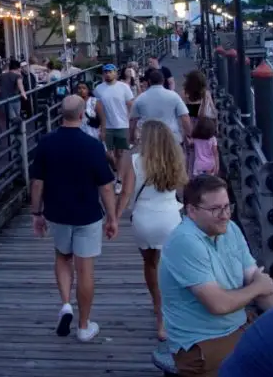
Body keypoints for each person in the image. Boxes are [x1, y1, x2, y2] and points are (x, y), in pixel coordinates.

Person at [158, 175, 273, 377]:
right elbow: (218, 305)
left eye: (227, 206)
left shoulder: (229, 229)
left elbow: (254, 277)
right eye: (215, 209)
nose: (225, 215)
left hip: (239, 327)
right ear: (191, 211)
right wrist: (258, 287)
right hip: (203, 343)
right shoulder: (185, 241)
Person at [30, 95, 118, 342]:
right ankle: (83, 325)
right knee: (85, 269)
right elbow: (106, 186)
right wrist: (112, 217)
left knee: (62, 257)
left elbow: (37, 183)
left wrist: (37, 213)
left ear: (61, 114)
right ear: (82, 115)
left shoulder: (46, 143)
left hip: (57, 213)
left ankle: (66, 304)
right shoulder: (92, 146)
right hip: (87, 214)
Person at [118, 120, 185, 341]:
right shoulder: (175, 159)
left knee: (150, 264)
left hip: (144, 219)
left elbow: (126, 192)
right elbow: (182, 189)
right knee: (171, 268)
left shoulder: (135, 161)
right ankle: (173, 314)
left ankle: (159, 312)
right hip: (170, 218)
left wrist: (114, 218)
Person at [131, 69, 193, 149]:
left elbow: (133, 120)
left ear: (149, 81)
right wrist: (189, 134)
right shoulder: (173, 96)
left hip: (149, 140)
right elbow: (185, 117)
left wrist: (131, 137)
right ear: (163, 80)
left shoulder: (140, 98)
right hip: (171, 138)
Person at [93, 63, 134, 180]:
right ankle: (115, 168)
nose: (108, 74)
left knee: (119, 153)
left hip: (122, 125)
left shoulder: (124, 87)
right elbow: (95, 107)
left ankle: (119, 179)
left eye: (110, 71)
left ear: (115, 73)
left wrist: (130, 120)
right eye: (105, 72)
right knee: (107, 153)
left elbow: (131, 104)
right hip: (106, 126)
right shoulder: (98, 89)